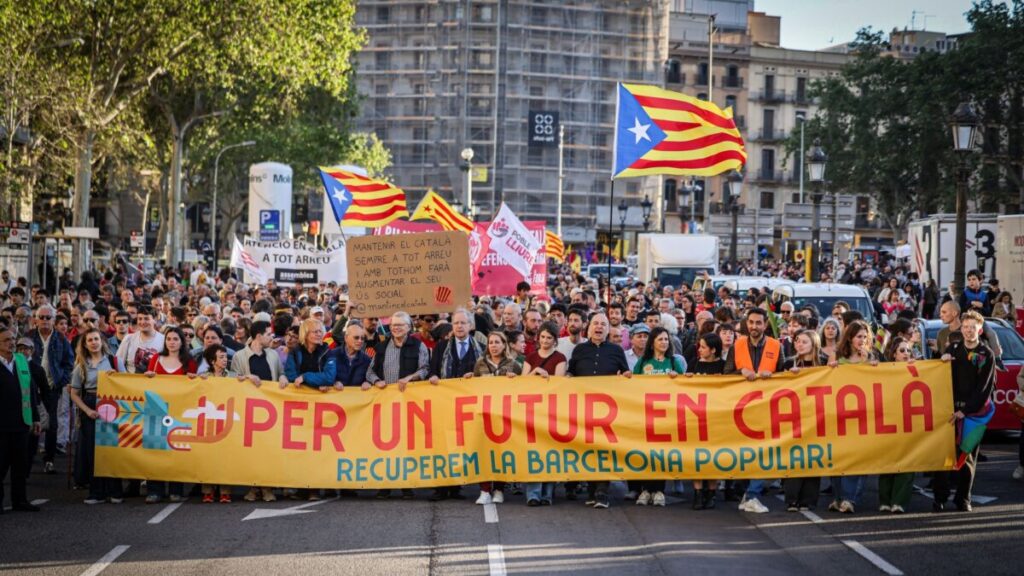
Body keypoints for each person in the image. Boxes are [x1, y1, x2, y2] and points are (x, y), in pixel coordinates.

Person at [364, 311, 429, 500]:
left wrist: (410, 377)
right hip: (386, 405)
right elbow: (370, 372)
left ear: (409, 327)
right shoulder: (381, 347)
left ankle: (406, 485)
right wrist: (376, 381)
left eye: (400, 325)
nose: (396, 328)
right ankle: (385, 485)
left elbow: (425, 368)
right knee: (386, 445)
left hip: (410, 404)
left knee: (408, 445)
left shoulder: (418, 346)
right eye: (393, 325)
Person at [935, 311, 995, 512]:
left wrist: (966, 410)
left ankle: (963, 499)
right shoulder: (953, 348)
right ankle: (939, 497)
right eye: (966, 327)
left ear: (980, 329)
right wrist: (940, 359)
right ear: (961, 329)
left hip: (973, 414)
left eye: (973, 327)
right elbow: (937, 374)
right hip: (948, 411)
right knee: (943, 455)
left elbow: (984, 388)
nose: (969, 331)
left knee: (967, 457)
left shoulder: (986, 354)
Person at [568, 312, 630, 509]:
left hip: (607, 410)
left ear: (608, 329)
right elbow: (571, 371)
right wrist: (567, 377)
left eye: (603, 324)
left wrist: (627, 376)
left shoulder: (616, 350)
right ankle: (592, 491)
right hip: (582, 408)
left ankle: (602, 492)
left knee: (604, 450)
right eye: (596, 323)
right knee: (587, 449)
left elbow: (625, 372)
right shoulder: (579, 350)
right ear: (589, 327)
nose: (599, 327)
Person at [726, 307, 782, 514]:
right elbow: (726, 374)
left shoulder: (776, 346)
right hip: (741, 408)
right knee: (745, 453)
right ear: (746, 323)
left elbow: (785, 374)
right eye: (751, 322)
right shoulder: (737, 345)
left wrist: (773, 375)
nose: (754, 326)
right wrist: (741, 371)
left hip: (767, 407)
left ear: (765, 324)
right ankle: (747, 493)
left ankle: (752, 494)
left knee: (764, 453)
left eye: (759, 323)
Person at [827, 320, 878, 514]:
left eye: (865, 337)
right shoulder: (838, 357)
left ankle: (850, 499)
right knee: (839, 456)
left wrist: (870, 363)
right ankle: (838, 497)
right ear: (850, 338)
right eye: (859, 337)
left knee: (858, 457)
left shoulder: (872, 358)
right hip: (839, 415)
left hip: (863, 416)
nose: (862, 341)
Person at [69, 328, 124, 504]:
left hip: (113, 405)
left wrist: (116, 378)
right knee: (93, 452)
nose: (93, 342)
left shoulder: (115, 361)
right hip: (91, 405)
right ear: (85, 344)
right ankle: (97, 492)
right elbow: (74, 393)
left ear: (102, 341)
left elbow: (128, 384)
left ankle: (115, 491)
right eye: (90, 340)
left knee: (112, 449)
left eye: (96, 339)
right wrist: (87, 410)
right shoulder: (81, 366)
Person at [631, 326, 684, 507]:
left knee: (661, 454)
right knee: (646, 454)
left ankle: (659, 490)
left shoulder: (673, 361)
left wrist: (677, 378)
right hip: (645, 415)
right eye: (660, 339)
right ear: (652, 342)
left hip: (666, 416)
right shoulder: (643, 362)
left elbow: (685, 387)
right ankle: (646, 490)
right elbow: (632, 385)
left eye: (666, 340)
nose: (664, 343)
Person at [143, 326, 196, 504]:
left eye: (175, 339)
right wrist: (147, 377)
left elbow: (195, 387)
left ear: (182, 342)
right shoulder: (156, 359)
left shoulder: (189, 362)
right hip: (156, 411)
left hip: (180, 412)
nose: (172, 342)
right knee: (155, 451)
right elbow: (147, 384)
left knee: (177, 450)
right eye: (169, 339)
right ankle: (154, 490)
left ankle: (176, 490)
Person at [471, 332, 521, 505]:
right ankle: (484, 490)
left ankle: (499, 489)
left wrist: (516, 380)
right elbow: (473, 387)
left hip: (504, 415)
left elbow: (524, 387)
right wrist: (469, 378)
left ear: (504, 344)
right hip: (485, 414)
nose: (493, 345)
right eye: (491, 342)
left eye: (497, 342)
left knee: (501, 452)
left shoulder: (514, 365)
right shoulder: (480, 364)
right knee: (483, 451)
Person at [781, 330, 827, 512]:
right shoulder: (788, 363)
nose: (799, 345)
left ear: (813, 344)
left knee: (814, 458)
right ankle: (792, 499)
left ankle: (808, 500)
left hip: (818, 416)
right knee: (795, 457)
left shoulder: (823, 364)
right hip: (794, 417)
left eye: (804, 342)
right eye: (797, 341)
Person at [28, 304, 75, 475]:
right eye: (42, 317)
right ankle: (29, 456)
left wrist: (61, 381)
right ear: (36, 320)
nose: (45, 321)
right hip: (31, 387)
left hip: (52, 387)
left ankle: (49, 459)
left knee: (52, 424)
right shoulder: (29, 337)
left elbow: (69, 363)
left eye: (49, 318)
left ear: (54, 320)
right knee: (32, 421)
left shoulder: (61, 339)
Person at [0, 327, 42, 513]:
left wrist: (36, 418)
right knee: (0, 465)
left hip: (21, 421)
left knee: (20, 464)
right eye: (6, 340)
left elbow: (31, 392)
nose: (11, 343)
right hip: (1, 424)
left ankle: (20, 500)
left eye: (13, 339)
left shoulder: (21, 361)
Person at [875, 336, 916, 514]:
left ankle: (899, 501)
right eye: (902, 350)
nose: (906, 353)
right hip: (888, 422)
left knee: (908, 462)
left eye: (908, 350)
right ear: (893, 354)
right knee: (887, 462)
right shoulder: (884, 371)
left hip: (909, 422)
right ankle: (885, 500)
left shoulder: (917, 368)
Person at [116, 305, 165, 374]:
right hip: (130, 382)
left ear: (155, 320)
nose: (142, 322)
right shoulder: (128, 339)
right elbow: (118, 364)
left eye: (146, 319)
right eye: (140, 319)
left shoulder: (164, 340)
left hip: (154, 382)